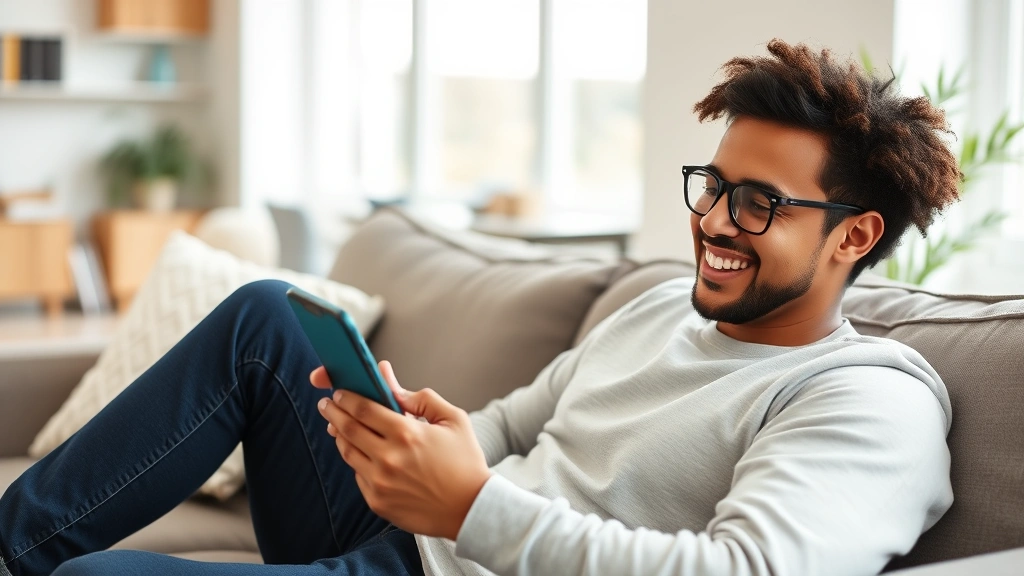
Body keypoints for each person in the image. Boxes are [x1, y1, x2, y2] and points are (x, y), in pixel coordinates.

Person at [0, 38, 961, 576]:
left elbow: (739, 572)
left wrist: (470, 505)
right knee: (269, 317)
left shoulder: (867, 400)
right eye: (713, 186)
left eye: (757, 204)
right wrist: (417, 436)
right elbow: (508, 425)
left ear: (854, 236)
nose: (713, 220)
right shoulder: (662, 309)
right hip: (417, 541)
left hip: (458, 554)